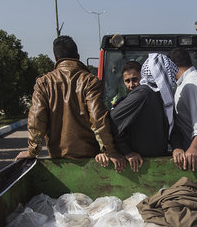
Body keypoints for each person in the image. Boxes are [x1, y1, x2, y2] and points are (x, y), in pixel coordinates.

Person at [16, 35, 126, 172]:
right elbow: (97, 118)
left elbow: (36, 119)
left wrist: (32, 151)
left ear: (56, 58)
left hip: (58, 158)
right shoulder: (89, 81)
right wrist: (110, 151)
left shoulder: (44, 83)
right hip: (90, 157)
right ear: (78, 56)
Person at [109, 53, 177, 172]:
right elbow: (112, 119)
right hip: (140, 166)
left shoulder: (155, 94)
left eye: (135, 79)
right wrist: (127, 152)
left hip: (155, 162)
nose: (131, 85)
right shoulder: (143, 94)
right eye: (127, 81)